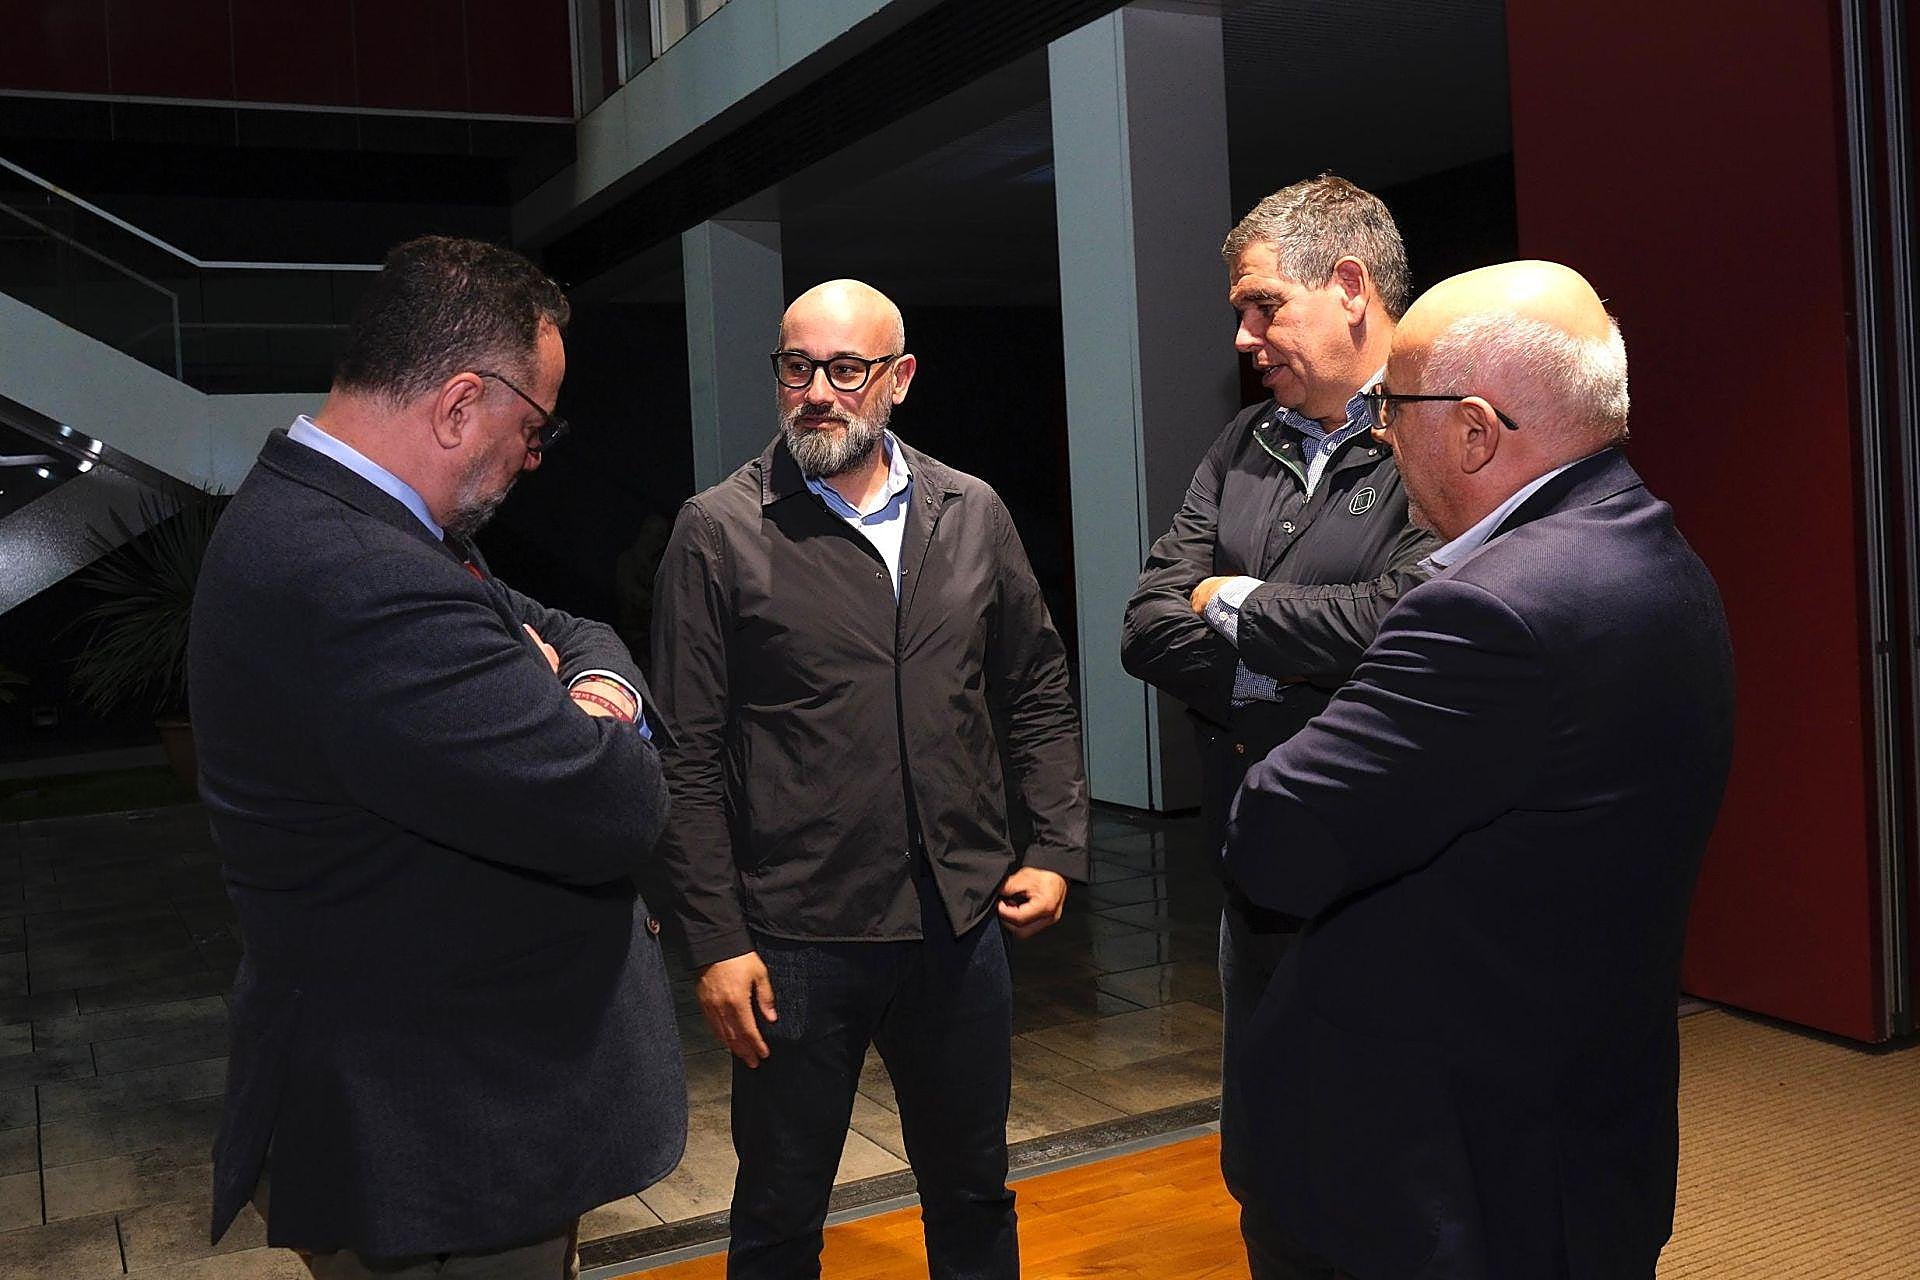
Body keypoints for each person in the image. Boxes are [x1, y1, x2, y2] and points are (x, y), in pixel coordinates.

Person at [1223, 260, 1736, 1278]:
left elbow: (1272, 839)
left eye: (1392, 407)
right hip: (1578, 1135)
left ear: (1472, 431)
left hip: (1437, 1177)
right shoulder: (1661, 555)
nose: (1380, 434)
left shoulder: (1485, 611)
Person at [189, 235, 684, 1278]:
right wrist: (586, 713)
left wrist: (578, 688)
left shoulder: (362, 521)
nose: (534, 458)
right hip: (448, 1137)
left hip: (448, 1112)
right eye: (533, 427)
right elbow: (618, 804)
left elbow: (575, 628)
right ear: (460, 405)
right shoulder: (360, 572)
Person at [651, 278, 1089, 1279]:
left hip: (958, 925)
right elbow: (685, 752)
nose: (818, 392)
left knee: (973, 1193)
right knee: (779, 1212)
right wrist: (716, 939)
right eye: (797, 367)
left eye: (846, 370)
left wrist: (1057, 845)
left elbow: (1035, 685)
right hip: (797, 937)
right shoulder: (719, 528)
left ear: (900, 379)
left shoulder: (970, 510)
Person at [1118, 174, 1436, 1276]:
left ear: (1349, 286)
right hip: (1253, 870)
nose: (1245, 337)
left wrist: (1238, 604)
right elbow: (1148, 624)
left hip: (1389, 885)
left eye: (1263, 306)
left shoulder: (1437, 428)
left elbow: (1404, 622)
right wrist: (1284, 677)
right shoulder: (1243, 441)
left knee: (1389, 1175)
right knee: (1269, 1168)